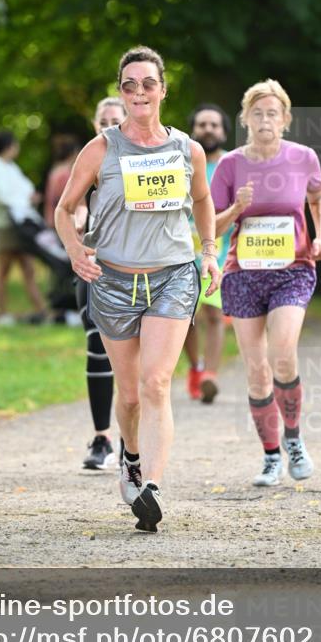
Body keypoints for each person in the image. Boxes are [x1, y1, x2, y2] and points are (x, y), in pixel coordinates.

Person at [55, 47, 220, 532]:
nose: (139, 92)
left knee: (156, 383)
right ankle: (129, 455)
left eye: (148, 83)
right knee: (127, 396)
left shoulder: (187, 149)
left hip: (172, 276)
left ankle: (152, 486)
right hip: (112, 281)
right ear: (122, 92)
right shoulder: (101, 149)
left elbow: (204, 199)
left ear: (163, 89)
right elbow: (64, 209)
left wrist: (208, 251)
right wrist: (73, 249)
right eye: (130, 85)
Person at [210, 80, 321, 487]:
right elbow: (210, 224)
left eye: (272, 113)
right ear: (245, 118)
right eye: (257, 113)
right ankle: (271, 456)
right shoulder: (230, 166)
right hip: (243, 274)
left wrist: (320, 235)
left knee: (282, 352)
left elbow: (316, 197)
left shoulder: (303, 158)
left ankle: (294, 439)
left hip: (292, 268)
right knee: (257, 370)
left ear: (286, 119)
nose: (265, 119)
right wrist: (237, 207)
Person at [73, 97, 126, 470]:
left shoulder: (141, 159)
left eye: (114, 119)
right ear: (95, 125)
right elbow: (73, 203)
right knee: (97, 343)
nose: (108, 124)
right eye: (102, 120)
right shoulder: (89, 160)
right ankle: (102, 437)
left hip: (135, 264)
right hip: (94, 263)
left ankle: (131, 439)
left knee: (133, 354)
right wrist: (79, 221)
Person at [184, 103, 234, 403]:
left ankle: (210, 377)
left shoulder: (232, 164)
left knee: (214, 314)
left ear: (224, 132)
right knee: (185, 316)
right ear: (193, 130)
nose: (208, 130)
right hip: (181, 250)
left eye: (214, 125)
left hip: (221, 250)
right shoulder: (182, 161)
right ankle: (195, 368)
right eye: (202, 124)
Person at [0, 131, 47, 326]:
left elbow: (23, 189)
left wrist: (30, 197)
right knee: (4, 269)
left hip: (20, 224)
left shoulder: (10, 167)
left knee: (28, 267)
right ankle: (2, 312)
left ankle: (41, 310)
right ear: (9, 146)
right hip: (3, 225)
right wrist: (24, 199)